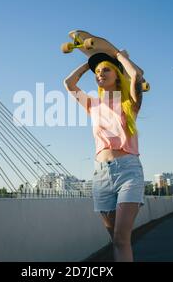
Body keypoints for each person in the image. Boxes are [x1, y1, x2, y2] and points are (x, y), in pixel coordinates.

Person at [64, 51, 145, 262]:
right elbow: (69, 83)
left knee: (121, 238)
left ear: (117, 74)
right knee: (116, 240)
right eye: (97, 72)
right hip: (101, 175)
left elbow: (136, 75)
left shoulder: (129, 103)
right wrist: (89, 64)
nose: (100, 74)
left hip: (128, 171)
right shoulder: (93, 105)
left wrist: (120, 56)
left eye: (106, 69)